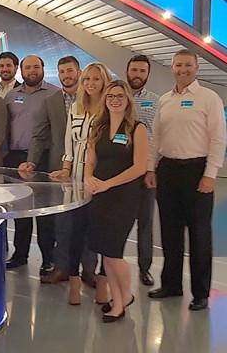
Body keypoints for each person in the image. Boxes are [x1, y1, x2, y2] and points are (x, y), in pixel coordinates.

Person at [146, 50, 226, 311]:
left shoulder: (208, 98)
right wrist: (151, 168)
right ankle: (171, 285)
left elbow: (218, 139)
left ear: (197, 68)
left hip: (197, 171)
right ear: (172, 68)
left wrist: (210, 174)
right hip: (168, 170)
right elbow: (155, 138)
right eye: (178, 65)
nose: (183, 69)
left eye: (188, 65)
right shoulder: (165, 100)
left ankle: (201, 293)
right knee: (169, 232)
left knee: (200, 234)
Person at [20, 56, 96, 284]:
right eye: (62, 71)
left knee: (89, 222)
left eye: (70, 70)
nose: (66, 75)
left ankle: (89, 270)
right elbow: (40, 134)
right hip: (59, 170)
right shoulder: (51, 101)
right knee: (62, 224)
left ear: (79, 72)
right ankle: (61, 268)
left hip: (89, 170)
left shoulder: (95, 100)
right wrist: (31, 161)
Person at [85, 80, 148, 322]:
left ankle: (124, 298)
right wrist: (89, 177)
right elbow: (91, 160)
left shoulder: (137, 128)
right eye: (111, 96)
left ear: (128, 101)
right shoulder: (98, 126)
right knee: (106, 252)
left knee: (114, 252)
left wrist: (108, 183)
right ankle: (119, 300)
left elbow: (139, 167)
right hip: (100, 196)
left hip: (124, 197)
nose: (115, 100)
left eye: (120, 96)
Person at [50, 62, 112, 305]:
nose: (91, 83)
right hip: (75, 178)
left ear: (104, 81)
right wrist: (66, 167)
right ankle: (70, 274)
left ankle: (91, 272)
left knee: (96, 229)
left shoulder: (110, 108)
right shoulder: (76, 107)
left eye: (96, 79)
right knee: (72, 228)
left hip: (101, 179)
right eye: (87, 79)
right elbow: (69, 141)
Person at [4, 55, 58, 272]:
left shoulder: (54, 94)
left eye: (36, 66)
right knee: (21, 210)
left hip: (43, 158)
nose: (32, 71)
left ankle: (48, 258)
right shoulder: (11, 96)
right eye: (28, 67)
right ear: (21, 71)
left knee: (45, 211)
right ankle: (20, 254)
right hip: (17, 158)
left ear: (43, 68)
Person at [125, 54, 159, 286]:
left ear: (147, 74)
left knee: (145, 221)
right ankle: (107, 266)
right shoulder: (116, 96)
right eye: (134, 70)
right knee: (114, 219)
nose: (137, 75)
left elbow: (157, 139)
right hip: (118, 169)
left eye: (142, 71)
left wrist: (150, 170)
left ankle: (144, 267)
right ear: (127, 71)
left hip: (145, 170)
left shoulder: (156, 101)